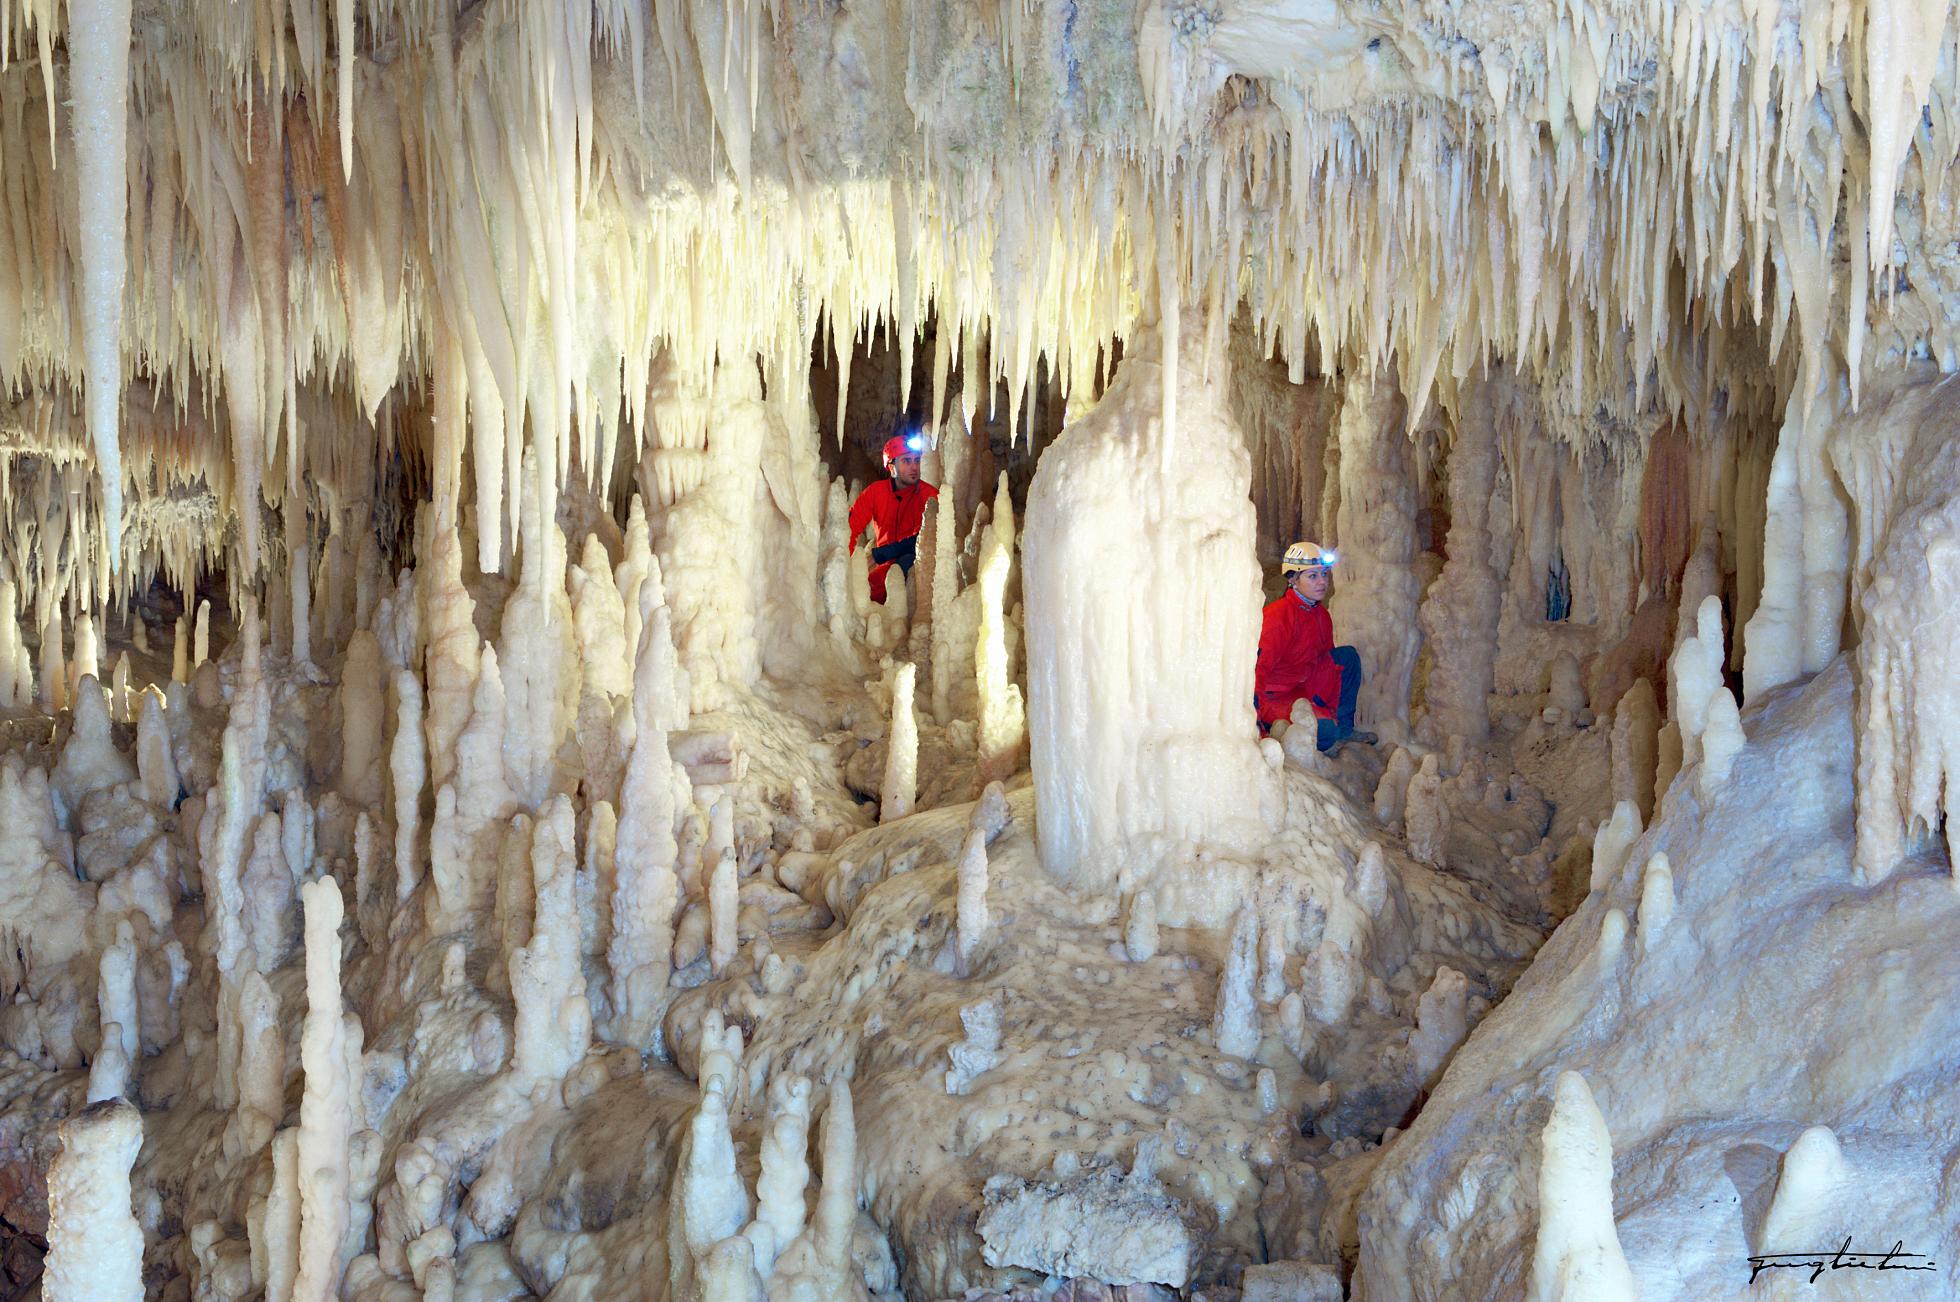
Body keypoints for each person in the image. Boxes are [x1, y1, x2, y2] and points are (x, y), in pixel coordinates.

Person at [1256, 540, 1375, 752]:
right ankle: (1280, 724)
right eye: (1313, 576)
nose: (1322, 582)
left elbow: (1328, 663)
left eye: (1324, 574)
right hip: (1275, 695)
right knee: (1325, 732)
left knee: (1347, 657)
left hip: (1304, 685)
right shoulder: (1278, 616)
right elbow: (1257, 671)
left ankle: (1344, 729)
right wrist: (1255, 722)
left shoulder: (1321, 615)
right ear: (1293, 579)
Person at [849, 432, 940, 604]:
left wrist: (881, 554)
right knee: (859, 589)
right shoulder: (876, 493)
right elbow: (850, 527)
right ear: (891, 467)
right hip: (883, 565)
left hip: (917, 565)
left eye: (917, 460)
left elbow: (928, 538)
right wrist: (842, 563)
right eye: (906, 461)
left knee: (902, 567)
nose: (914, 467)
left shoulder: (930, 496)